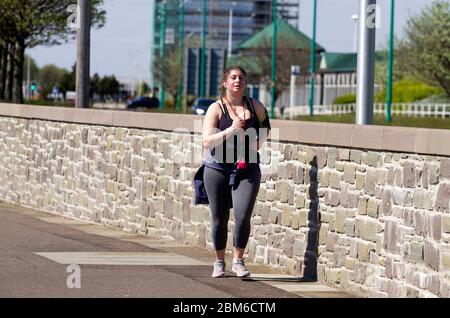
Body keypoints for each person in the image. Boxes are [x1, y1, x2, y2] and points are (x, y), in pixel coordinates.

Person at [201, 65, 271, 278]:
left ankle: (238, 261)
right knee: (219, 217)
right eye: (233, 77)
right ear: (225, 83)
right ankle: (219, 262)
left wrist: (258, 141)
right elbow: (206, 141)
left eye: (241, 77)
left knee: (242, 215)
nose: (237, 80)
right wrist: (231, 129)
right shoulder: (216, 108)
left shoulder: (255, 105)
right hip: (217, 168)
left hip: (246, 169)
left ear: (245, 83)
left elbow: (266, 125)